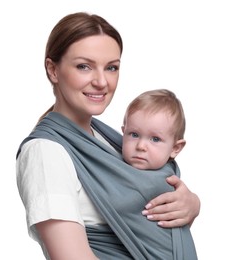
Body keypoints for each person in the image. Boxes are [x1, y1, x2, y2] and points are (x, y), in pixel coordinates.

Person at [16, 12, 200, 259]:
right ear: (53, 70)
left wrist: (190, 204)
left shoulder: (110, 140)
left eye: (111, 67)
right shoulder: (45, 152)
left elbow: (144, 214)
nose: (102, 81)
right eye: (84, 66)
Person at [121, 89, 186, 170]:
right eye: (134, 135)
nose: (140, 146)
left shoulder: (168, 180)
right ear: (123, 133)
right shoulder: (112, 163)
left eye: (155, 139)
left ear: (175, 148)